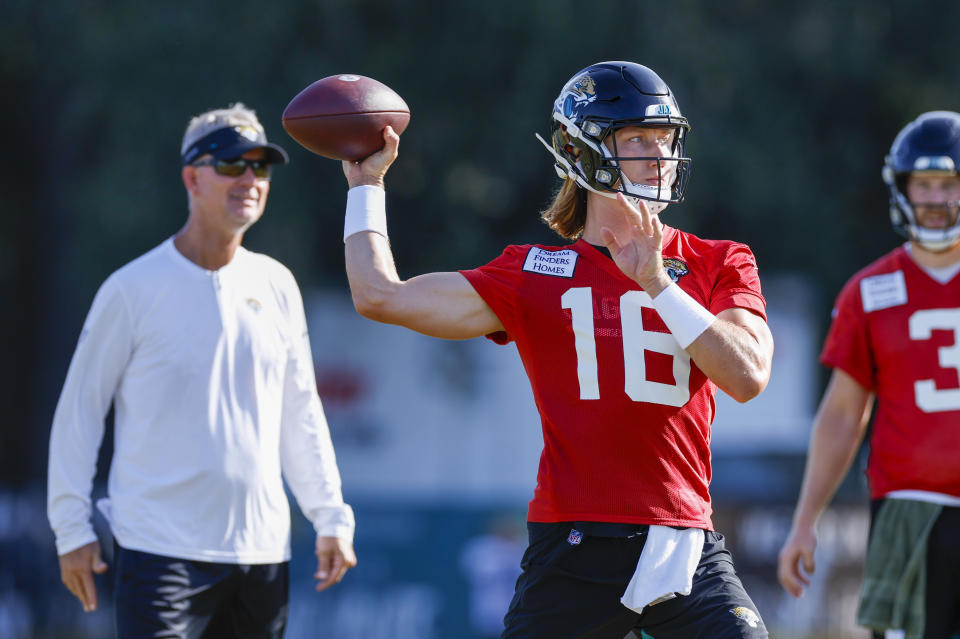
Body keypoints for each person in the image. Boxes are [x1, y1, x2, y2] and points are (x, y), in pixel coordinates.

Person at [341, 61, 774, 638]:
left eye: (664, 138)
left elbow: (747, 376)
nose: (659, 154)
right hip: (576, 548)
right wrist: (367, 187)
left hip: (683, 544)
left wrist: (658, 285)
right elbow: (378, 295)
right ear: (587, 151)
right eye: (637, 139)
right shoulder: (535, 274)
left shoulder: (719, 260)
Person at [47, 103, 356, 639]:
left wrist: (330, 514)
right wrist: (70, 529)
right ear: (191, 177)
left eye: (260, 167)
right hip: (160, 551)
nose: (250, 180)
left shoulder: (277, 284)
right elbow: (80, 413)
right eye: (232, 165)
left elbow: (300, 412)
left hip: (261, 553)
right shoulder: (131, 289)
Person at [777, 111, 960, 639]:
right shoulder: (869, 291)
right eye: (922, 183)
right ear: (902, 189)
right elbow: (841, 417)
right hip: (907, 512)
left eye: (947, 183)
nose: (933, 197)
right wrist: (806, 519)